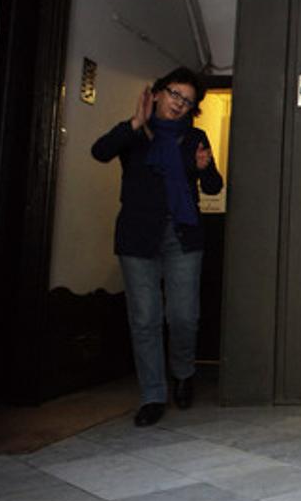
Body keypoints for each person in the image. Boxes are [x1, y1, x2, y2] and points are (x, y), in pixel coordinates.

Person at [92, 67, 222, 427]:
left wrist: (204, 167)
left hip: (183, 234)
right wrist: (135, 122)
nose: (179, 105)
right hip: (137, 236)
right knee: (145, 318)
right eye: (174, 95)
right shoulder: (135, 134)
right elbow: (99, 151)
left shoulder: (196, 137)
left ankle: (183, 372)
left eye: (188, 101)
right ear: (159, 93)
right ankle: (152, 394)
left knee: (183, 316)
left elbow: (213, 186)